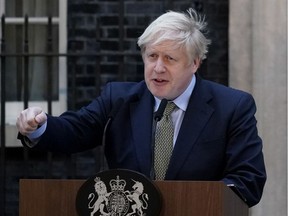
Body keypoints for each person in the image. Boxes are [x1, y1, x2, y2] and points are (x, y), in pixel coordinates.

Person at [16, 8, 266, 207]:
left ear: (194, 63)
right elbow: (75, 131)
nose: (158, 68)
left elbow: (248, 180)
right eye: (152, 56)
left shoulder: (232, 107)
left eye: (170, 58)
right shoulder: (119, 99)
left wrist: (206, 199)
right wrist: (38, 125)